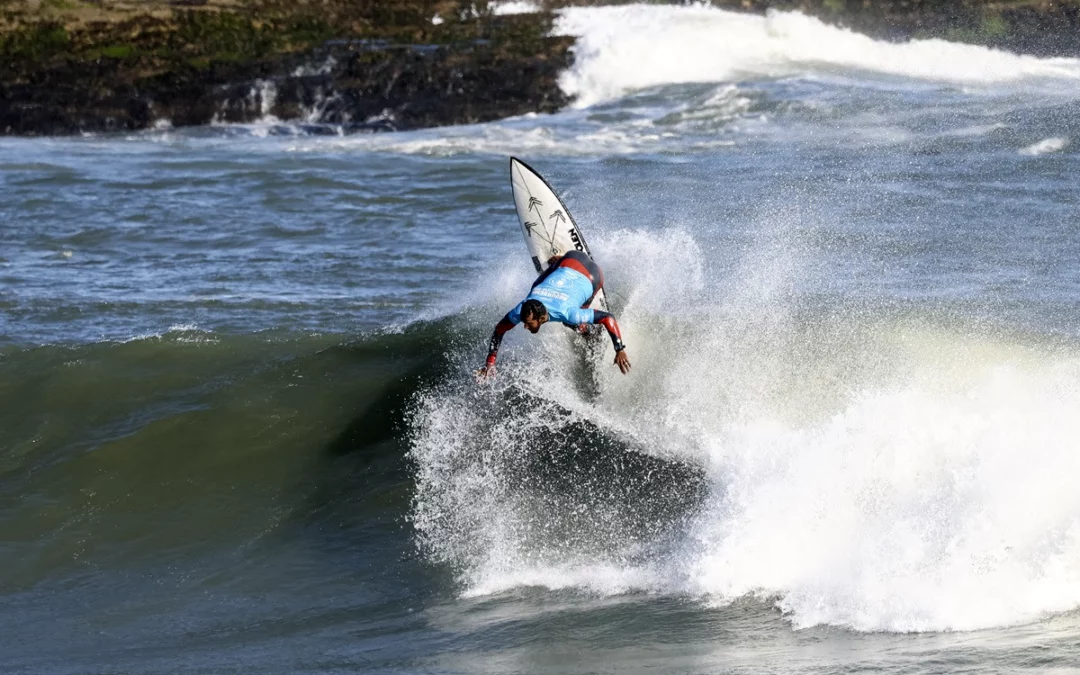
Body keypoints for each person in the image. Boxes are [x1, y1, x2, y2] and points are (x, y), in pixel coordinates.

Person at [478, 250, 631, 378]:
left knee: (575, 324)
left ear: (540, 318)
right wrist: (490, 363)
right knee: (535, 287)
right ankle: (557, 265)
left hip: (592, 274)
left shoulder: (568, 313)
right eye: (525, 322)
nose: (524, 326)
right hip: (570, 258)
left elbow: (608, 317)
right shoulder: (523, 309)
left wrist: (619, 349)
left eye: (528, 323)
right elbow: (499, 329)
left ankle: (590, 336)